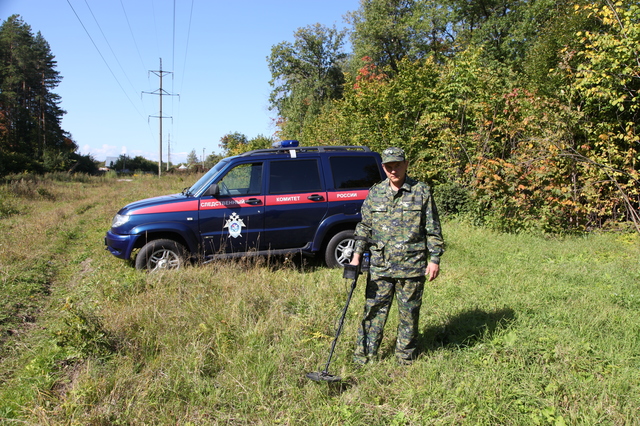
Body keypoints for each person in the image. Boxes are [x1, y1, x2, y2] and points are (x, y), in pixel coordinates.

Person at [350, 146, 444, 365]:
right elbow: (364, 226)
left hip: (412, 266)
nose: (393, 171)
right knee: (373, 312)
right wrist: (356, 255)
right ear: (383, 167)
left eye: (397, 166)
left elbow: (433, 229)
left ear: (406, 165)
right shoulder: (375, 193)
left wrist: (435, 259)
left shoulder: (421, 192)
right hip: (380, 266)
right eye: (389, 167)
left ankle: (405, 358)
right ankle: (364, 356)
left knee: (409, 315)